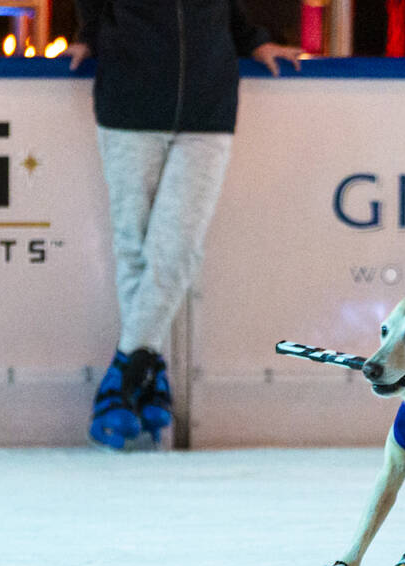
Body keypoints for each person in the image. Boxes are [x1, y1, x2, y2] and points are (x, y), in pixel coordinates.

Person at [65, 1, 302, 450]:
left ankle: (124, 373)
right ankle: (149, 373)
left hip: (207, 112)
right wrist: (86, 36)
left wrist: (255, 40)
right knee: (134, 246)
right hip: (128, 106)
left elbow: (228, 9)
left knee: (178, 248)